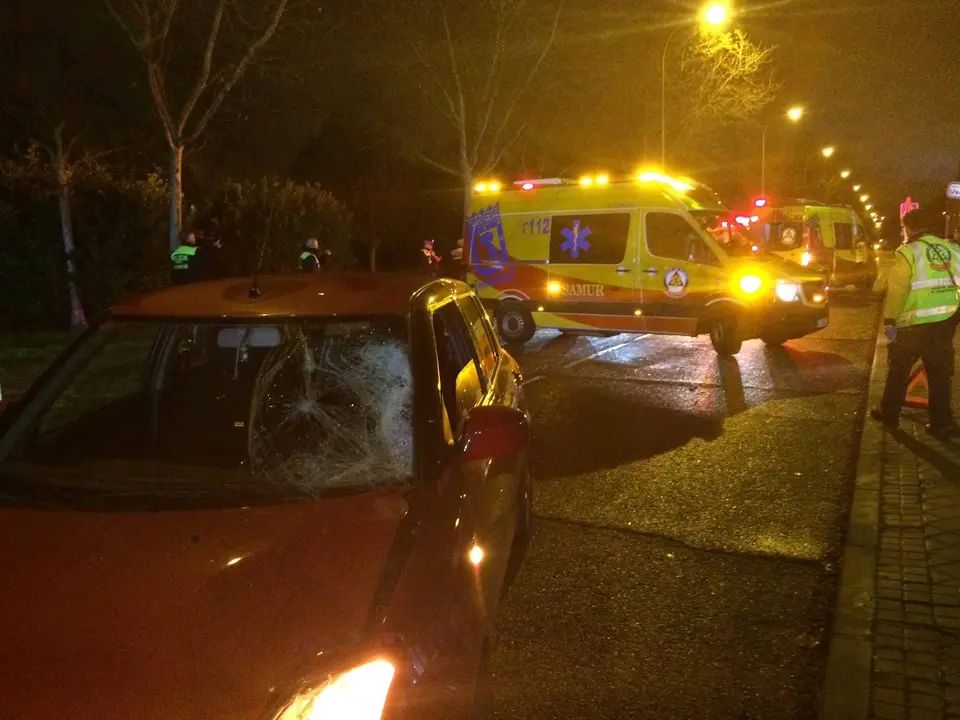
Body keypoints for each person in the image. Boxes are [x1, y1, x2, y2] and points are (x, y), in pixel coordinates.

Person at [871, 207, 960, 438]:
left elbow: (897, 291)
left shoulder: (908, 252)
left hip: (912, 325)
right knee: (940, 374)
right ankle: (941, 423)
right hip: (944, 323)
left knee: (898, 371)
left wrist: (890, 319)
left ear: (908, 227)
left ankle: (889, 416)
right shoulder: (953, 249)